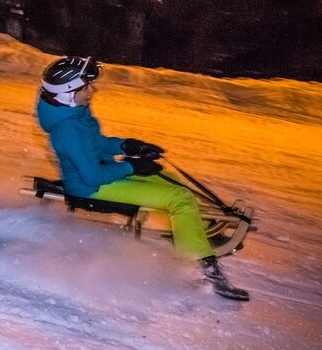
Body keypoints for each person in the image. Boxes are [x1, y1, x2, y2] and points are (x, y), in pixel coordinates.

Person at [35, 55, 249, 301]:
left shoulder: (74, 113)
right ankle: (200, 265)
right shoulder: (68, 129)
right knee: (177, 197)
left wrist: (128, 146)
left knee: (166, 178)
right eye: (86, 87)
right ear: (68, 93)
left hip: (99, 176)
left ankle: (196, 229)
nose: (93, 90)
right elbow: (92, 176)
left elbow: (96, 144)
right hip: (89, 189)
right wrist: (132, 168)